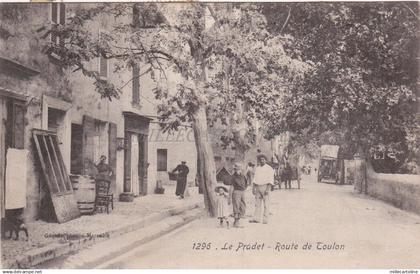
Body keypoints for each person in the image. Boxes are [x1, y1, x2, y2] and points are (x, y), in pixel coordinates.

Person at [250, 155, 274, 224]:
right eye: (260, 160)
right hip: (258, 187)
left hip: (265, 187)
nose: (261, 161)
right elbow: (255, 179)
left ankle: (265, 219)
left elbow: (270, 179)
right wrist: (253, 188)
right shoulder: (257, 168)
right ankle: (256, 219)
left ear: (266, 160)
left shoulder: (269, 168)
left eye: (263, 159)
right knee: (257, 204)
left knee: (266, 204)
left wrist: (268, 189)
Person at [229, 163, 248, 228]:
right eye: (237, 169)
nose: (238, 170)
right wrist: (230, 197)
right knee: (236, 206)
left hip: (242, 191)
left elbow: (246, 184)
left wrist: (243, 190)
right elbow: (231, 187)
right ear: (235, 169)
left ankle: (238, 219)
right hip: (236, 192)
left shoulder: (243, 176)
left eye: (240, 168)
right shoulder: (233, 177)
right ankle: (236, 221)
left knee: (243, 206)